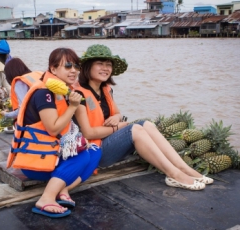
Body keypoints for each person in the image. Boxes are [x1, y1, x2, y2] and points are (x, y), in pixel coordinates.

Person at [74, 44, 213, 191]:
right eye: (100, 64)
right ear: (88, 66)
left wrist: (117, 117)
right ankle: (173, 174)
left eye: (108, 65)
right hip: (94, 151)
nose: (105, 68)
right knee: (134, 129)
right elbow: (88, 133)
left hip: (109, 142)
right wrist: (118, 126)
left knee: (146, 124)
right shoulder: (79, 95)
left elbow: (117, 113)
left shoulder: (105, 89)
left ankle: (183, 168)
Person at [6, 47, 101, 218]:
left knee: (95, 150)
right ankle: (46, 198)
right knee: (83, 157)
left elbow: (72, 128)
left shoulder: (62, 91)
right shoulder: (44, 93)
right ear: (53, 69)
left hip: (52, 154)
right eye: (68, 66)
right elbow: (53, 128)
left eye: (76, 66)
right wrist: (72, 106)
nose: (74, 70)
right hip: (36, 161)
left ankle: (62, 189)